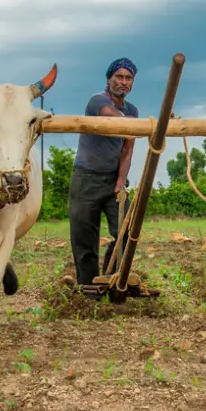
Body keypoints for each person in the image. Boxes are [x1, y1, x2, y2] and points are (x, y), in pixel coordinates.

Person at [68, 58, 139, 286]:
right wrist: (151, 125)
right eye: (119, 77)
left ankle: (111, 277)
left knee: (127, 230)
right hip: (86, 179)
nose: (124, 82)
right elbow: (113, 119)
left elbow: (128, 149)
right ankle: (88, 287)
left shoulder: (132, 110)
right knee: (84, 238)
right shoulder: (97, 101)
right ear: (109, 79)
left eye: (128, 78)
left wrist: (121, 180)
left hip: (113, 180)